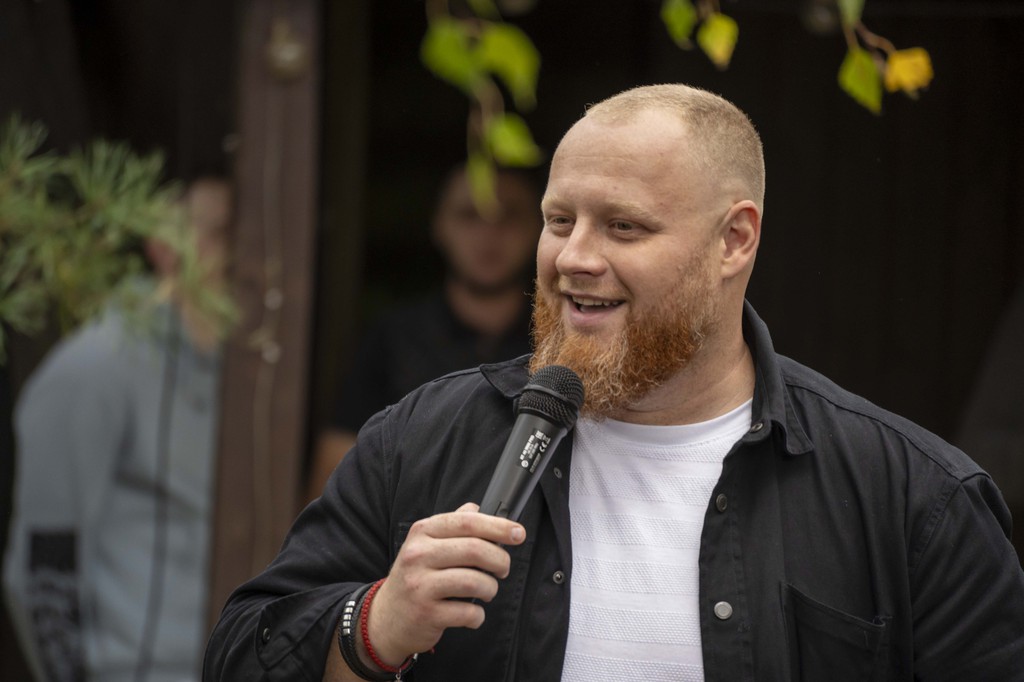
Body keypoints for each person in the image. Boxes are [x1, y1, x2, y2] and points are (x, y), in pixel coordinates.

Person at [204, 85, 1024, 681]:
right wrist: (375, 627)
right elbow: (241, 654)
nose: (573, 258)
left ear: (735, 240)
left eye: (623, 226)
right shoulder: (421, 440)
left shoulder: (913, 498)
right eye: (559, 220)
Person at [4, 177, 233, 682]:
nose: (240, 253)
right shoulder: (94, 366)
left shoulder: (245, 377)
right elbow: (43, 569)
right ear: (163, 245)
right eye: (221, 232)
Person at [306, 164, 541, 500]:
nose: (489, 232)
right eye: (469, 214)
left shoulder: (559, 340)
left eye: (510, 215)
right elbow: (334, 473)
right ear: (439, 225)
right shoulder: (392, 338)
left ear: (539, 227)